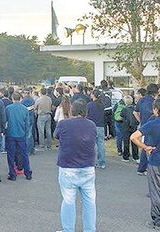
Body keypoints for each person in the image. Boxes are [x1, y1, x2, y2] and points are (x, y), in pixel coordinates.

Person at [54, 100, 97, 232]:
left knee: (68, 201)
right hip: (87, 167)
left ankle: (68, 229)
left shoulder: (63, 124)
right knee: (89, 202)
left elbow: (56, 136)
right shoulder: (91, 125)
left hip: (68, 166)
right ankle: (90, 229)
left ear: (72, 110)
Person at [131, 98, 160, 230]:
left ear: (156, 109)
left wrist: (145, 147)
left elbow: (133, 137)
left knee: (155, 191)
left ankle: (159, 221)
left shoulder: (152, 123)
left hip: (156, 161)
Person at [5, 93, 32, 181]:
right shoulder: (24, 109)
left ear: (12, 98)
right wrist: (27, 133)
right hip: (21, 134)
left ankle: (12, 174)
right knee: (24, 154)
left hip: (11, 133)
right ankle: (27, 173)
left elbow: (5, 122)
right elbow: (27, 123)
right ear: (20, 98)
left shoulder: (8, 109)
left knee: (11, 155)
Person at [134, 84, 158, 176]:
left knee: (145, 146)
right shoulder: (154, 102)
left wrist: (140, 121)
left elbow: (135, 112)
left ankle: (142, 168)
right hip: (153, 126)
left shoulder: (141, 100)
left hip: (143, 126)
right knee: (150, 147)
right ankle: (144, 168)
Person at [87, 90, 106, 169]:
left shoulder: (89, 105)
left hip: (91, 126)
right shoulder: (102, 105)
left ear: (93, 95)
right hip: (100, 126)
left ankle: (91, 161)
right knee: (101, 144)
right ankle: (101, 162)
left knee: (91, 145)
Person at [119, 95, 139, 163]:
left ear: (125, 102)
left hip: (126, 127)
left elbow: (121, 116)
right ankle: (135, 156)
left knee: (126, 142)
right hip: (134, 127)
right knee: (134, 142)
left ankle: (126, 157)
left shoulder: (124, 109)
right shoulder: (134, 108)